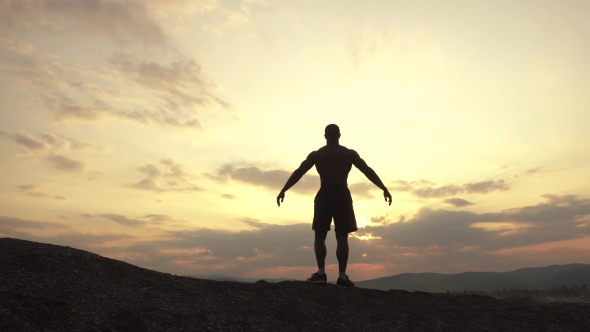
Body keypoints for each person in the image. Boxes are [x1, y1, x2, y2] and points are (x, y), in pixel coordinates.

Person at [277, 124, 392, 288]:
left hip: (325, 193)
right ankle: (342, 277)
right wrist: (384, 188)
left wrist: (284, 189)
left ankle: (321, 273)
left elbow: (299, 171)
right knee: (342, 236)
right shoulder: (348, 154)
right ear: (339, 135)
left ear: (325, 136)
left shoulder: (317, 154)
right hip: (342, 194)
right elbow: (367, 170)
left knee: (319, 235)